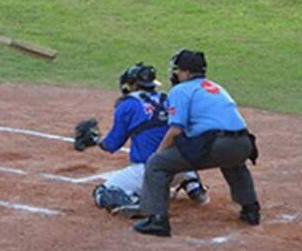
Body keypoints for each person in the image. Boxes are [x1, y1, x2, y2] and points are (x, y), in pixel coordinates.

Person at [134, 50, 261, 238]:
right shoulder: (215, 86)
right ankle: (251, 209)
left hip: (218, 144)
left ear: (186, 72)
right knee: (233, 163)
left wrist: (159, 153)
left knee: (157, 165)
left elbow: (176, 130)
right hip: (244, 144)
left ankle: (157, 220)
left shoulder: (180, 90)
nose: (175, 74)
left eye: (178, 70)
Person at [77, 63, 209, 218]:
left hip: (151, 172)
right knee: (177, 146)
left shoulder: (128, 104)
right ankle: (194, 187)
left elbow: (112, 144)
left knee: (103, 192)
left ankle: (138, 202)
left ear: (132, 85)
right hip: (181, 167)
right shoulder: (169, 99)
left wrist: (95, 140)